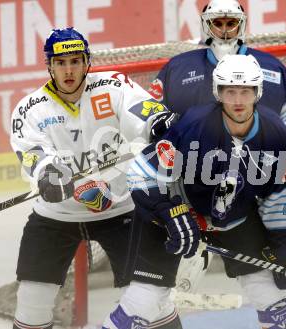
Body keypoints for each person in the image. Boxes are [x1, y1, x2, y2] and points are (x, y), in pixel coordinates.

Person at [147, 0, 286, 295]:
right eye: (219, 23)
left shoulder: (269, 67)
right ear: (207, 25)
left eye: (231, 23)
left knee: (274, 282)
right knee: (160, 287)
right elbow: (153, 119)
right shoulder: (178, 68)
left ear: (241, 24)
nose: (226, 30)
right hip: (192, 191)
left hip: (253, 191)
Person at [102, 54, 286, 329]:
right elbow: (142, 175)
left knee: (272, 297)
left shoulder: (277, 136)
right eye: (230, 91)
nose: (238, 100)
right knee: (143, 301)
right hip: (174, 211)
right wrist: (172, 213)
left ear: (258, 92)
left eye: (246, 91)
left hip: (235, 216)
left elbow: (281, 196)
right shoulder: (194, 126)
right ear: (218, 92)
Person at [10, 27, 175, 329]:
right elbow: (33, 153)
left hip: (122, 209)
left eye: (75, 61)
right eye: (61, 63)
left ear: (87, 61)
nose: (69, 70)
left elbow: (142, 109)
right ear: (49, 66)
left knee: (153, 299)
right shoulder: (29, 110)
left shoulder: (113, 86)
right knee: (31, 301)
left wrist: (158, 121)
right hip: (56, 216)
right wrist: (48, 173)